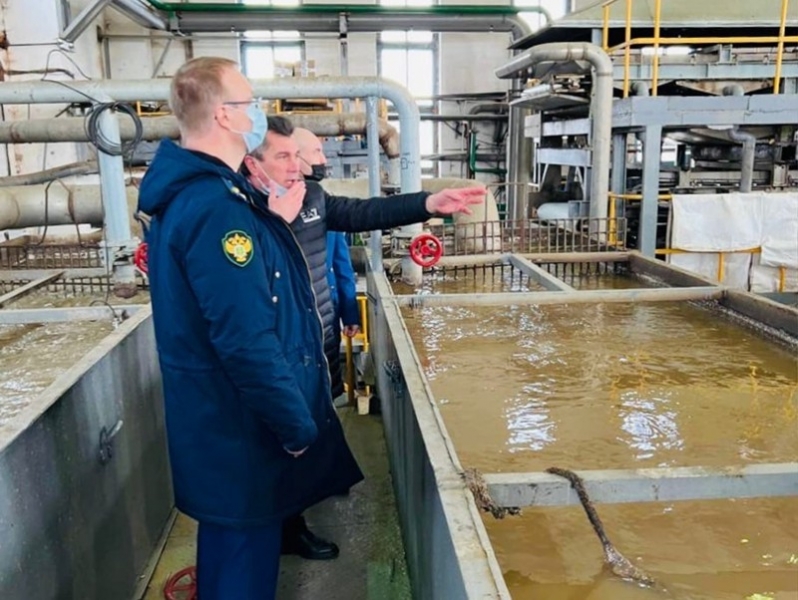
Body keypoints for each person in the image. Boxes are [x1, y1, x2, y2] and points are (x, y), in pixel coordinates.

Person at [137, 57, 363, 600]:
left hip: (219, 421)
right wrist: (295, 424)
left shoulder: (201, 195)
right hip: (239, 430)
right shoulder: (219, 210)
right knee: (242, 570)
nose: (257, 112)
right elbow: (243, 338)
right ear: (224, 115)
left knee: (229, 556)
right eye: (249, 102)